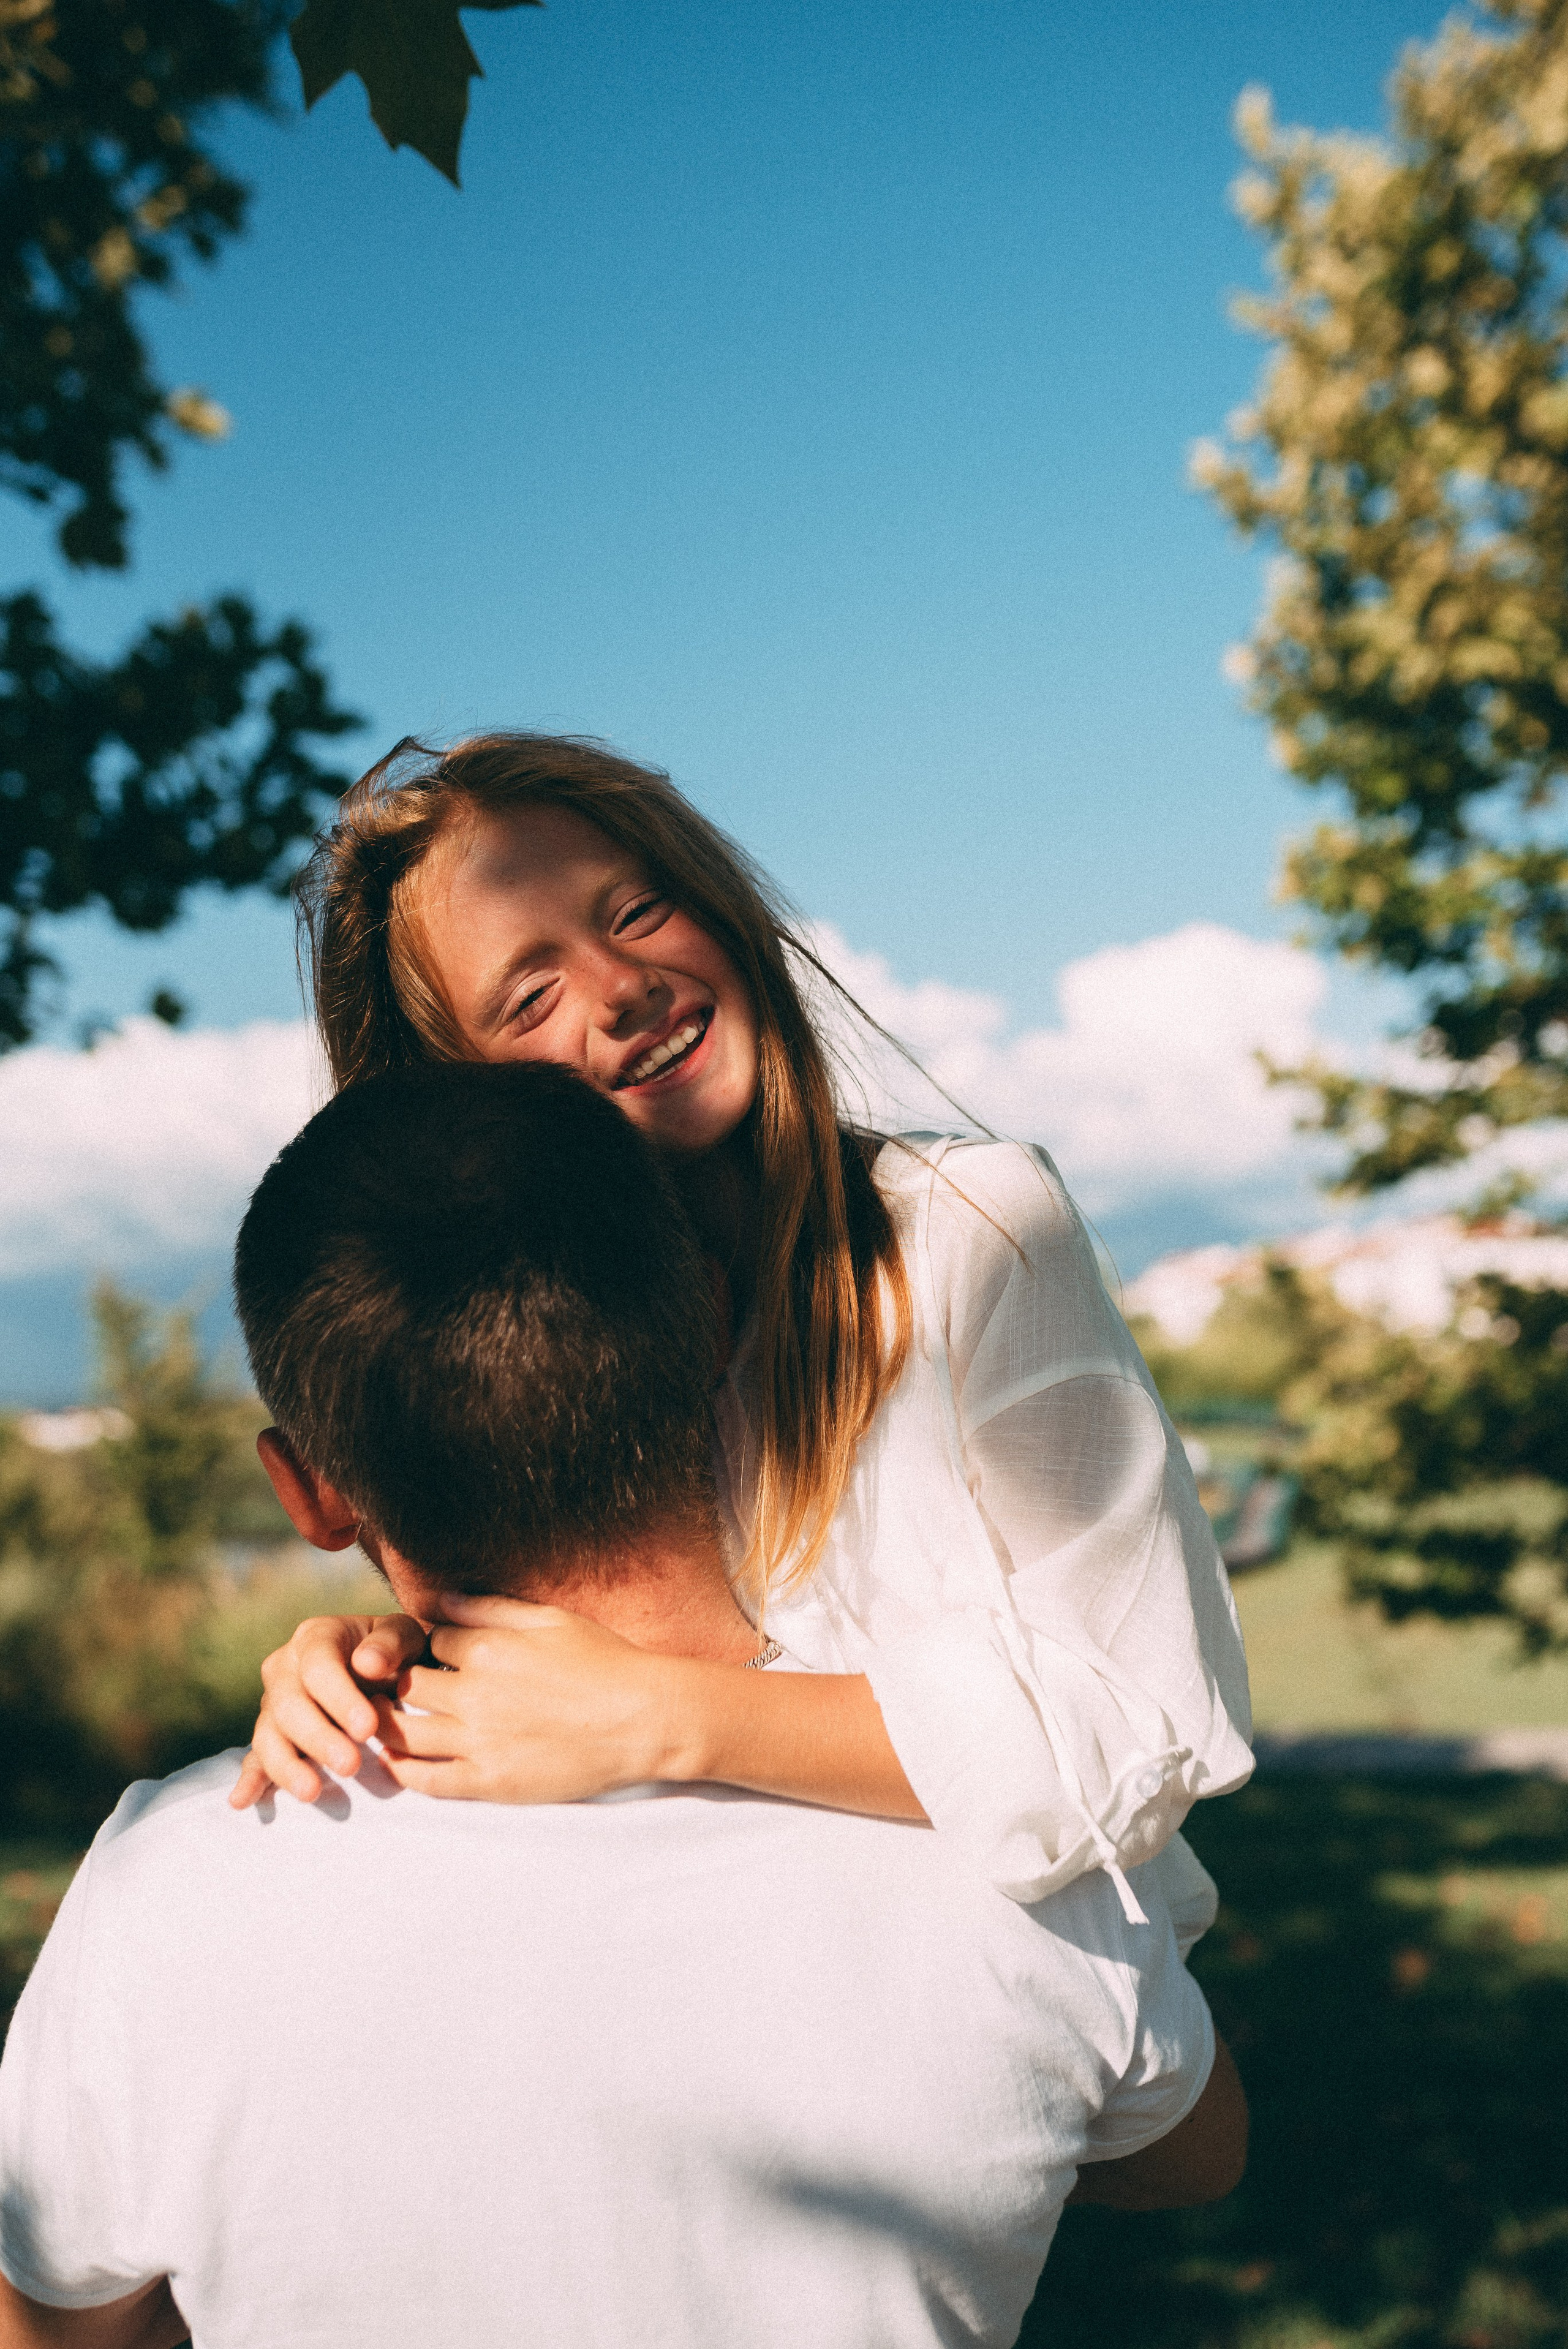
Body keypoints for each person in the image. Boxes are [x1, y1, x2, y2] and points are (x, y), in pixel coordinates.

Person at [0, 1062, 1246, 2349]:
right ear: (716, 1324)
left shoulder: (172, 1885)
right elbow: (1191, 2153)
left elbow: (54, 2330)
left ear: (308, 1493)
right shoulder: (998, 1851)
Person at [236, 732, 1254, 1915]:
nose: (621, 988)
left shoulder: (972, 1234)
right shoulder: (528, 1352)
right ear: (457, 1095)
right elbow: (556, 1650)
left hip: (1055, 2026)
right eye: (530, 995)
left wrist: (667, 1719)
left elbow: (1143, 1714)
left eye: (638, 911)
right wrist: (377, 1666)